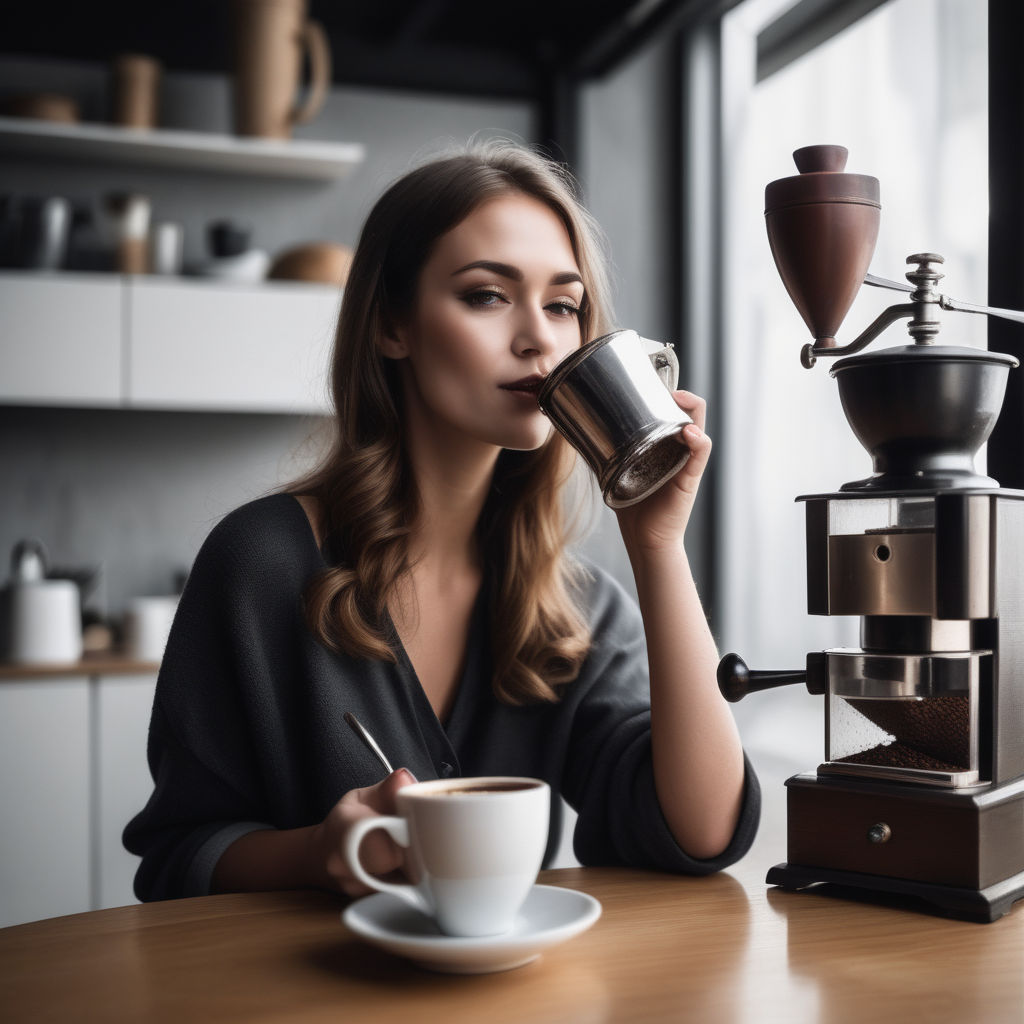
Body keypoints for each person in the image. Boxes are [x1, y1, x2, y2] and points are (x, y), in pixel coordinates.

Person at [124, 140, 759, 901]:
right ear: (393, 325)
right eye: (487, 295)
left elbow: (703, 831)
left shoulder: (574, 611)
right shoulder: (260, 562)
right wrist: (321, 852)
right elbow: (177, 860)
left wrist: (659, 547)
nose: (539, 338)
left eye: (563, 305)